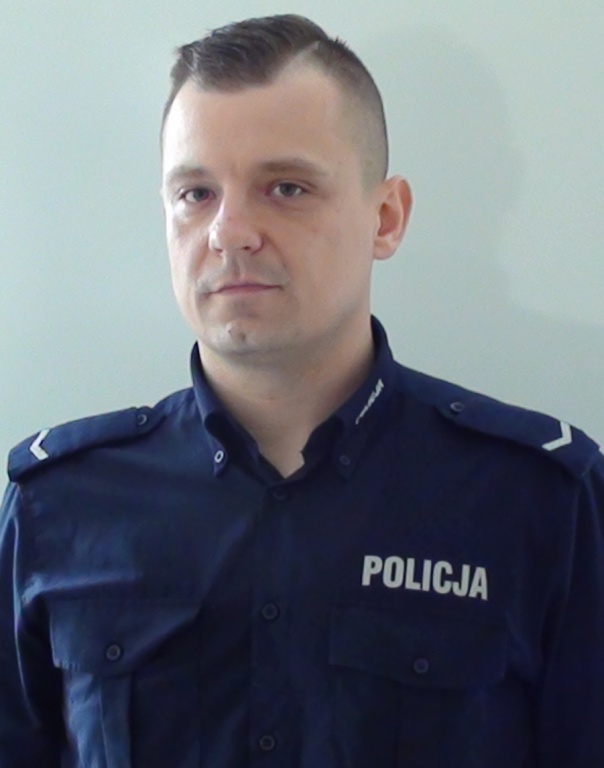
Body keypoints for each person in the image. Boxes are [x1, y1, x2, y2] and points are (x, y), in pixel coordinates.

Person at [1, 14, 603, 768]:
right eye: (195, 193)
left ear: (386, 218)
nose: (229, 232)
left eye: (286, 187)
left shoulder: (536, 498)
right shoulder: (61, 504)